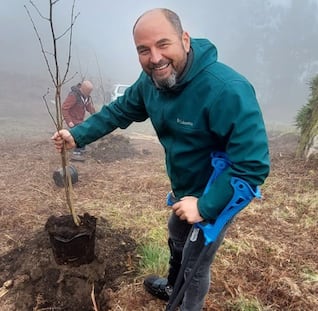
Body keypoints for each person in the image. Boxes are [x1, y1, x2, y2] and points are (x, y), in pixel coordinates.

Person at [52, 8, 270, 311]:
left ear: (184, 39)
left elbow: (252, 166)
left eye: (163, 44)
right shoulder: (150, 82)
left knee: (195, 265)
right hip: (185, 188)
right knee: (177, 232)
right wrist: (79, 135)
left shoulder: (227, 90)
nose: (154, 58)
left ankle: (185, 304)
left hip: (217, 190)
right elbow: (119, 111)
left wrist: (205, 206)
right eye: (144, 50)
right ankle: (172, 285)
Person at [61, 80, 96, 159]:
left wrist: (95, 114)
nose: (89, 94)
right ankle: (76, 153)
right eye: (88, 91)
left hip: (80, 120)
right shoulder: (73, 96)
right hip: (73, 120)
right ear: (83, 89)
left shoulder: (85, 97)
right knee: (80, 134)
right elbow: (64, 108)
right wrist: (69, 121)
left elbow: (88, 106)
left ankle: (81, 148)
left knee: (85, 130)